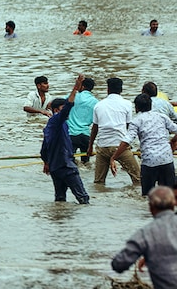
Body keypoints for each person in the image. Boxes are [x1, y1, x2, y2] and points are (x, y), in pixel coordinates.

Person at [110, 94, 177, 196]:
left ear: (137, 108)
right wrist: (173, 141)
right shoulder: (162, 117)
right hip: (166, 160)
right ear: (151, 105)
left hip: (149, 162)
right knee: (170, 195)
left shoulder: (136, 121)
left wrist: (113, 157)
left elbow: (126, 142)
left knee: (147, 197)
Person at [40, 75, 91, 204]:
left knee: (60, 199)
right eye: (63, 109)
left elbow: (44, 147)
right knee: (83, 198)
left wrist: (46, 162)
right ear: (56, 110)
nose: (68, 112)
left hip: (55, 168)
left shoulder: (50, 126)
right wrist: (75, 88)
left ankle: (61, 222)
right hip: (66, 166)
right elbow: (68, 106)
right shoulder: (58, 120)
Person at [87, 77, 141, 186]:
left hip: (102, 147)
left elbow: (95, 128)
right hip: (120, 147)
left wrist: (90, 146)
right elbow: (129, 127)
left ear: (108, 89)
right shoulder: (127, 104)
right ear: (121, 90)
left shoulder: (98, 105)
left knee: (98, 182)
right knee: (138, 179)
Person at [67, 76, 98, 163]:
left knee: (69, 161)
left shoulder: (73, 96)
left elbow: (61, 104)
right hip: (86, 135)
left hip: (71, 134)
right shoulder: (96, 102)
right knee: (86, 163)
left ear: (82, 86)